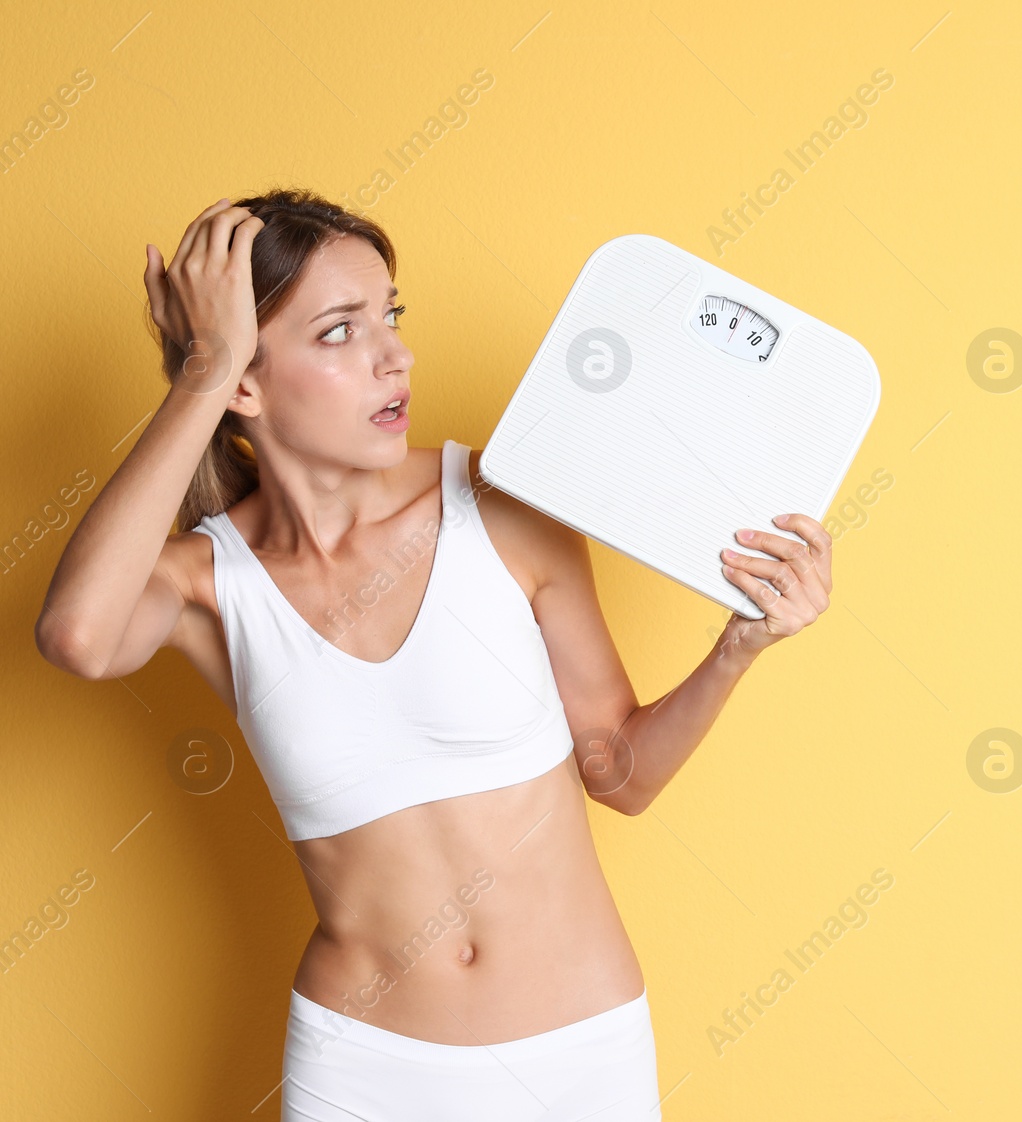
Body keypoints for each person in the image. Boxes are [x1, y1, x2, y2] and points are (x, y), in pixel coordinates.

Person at [33, 189, 833, 1121]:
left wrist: (738, 650)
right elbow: (77, 637)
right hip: (360, 1069)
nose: (394, 355)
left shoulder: (501, 499)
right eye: (340, 332)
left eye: (391, 317)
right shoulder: (210, 583)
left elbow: (620, 773)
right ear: (245, 382)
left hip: (577, 1056)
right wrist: (201, 376)